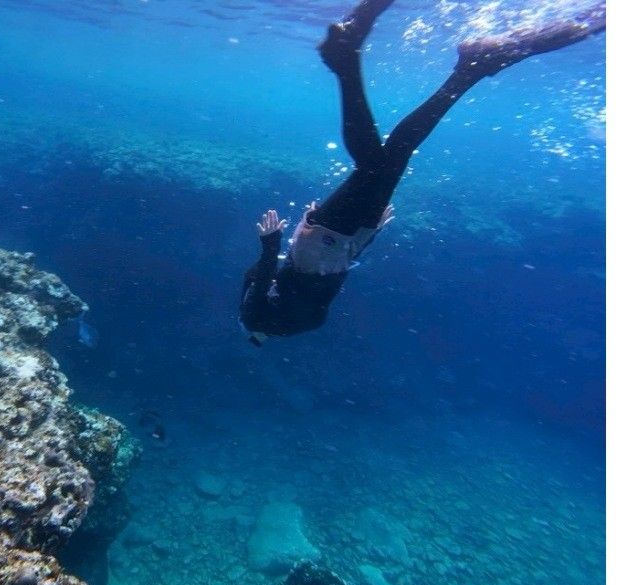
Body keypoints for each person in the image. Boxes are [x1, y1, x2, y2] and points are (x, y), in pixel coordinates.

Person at [239, 0, 605, 347]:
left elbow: (283, 283)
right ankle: (461, 70)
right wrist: (367, 236)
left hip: (332, 242)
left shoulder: (268, 322)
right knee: (391, 157)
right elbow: (271, 279)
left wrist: (276, 244)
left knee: (381, 162)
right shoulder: (266, 320)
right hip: (339, 242)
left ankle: (355, 62)